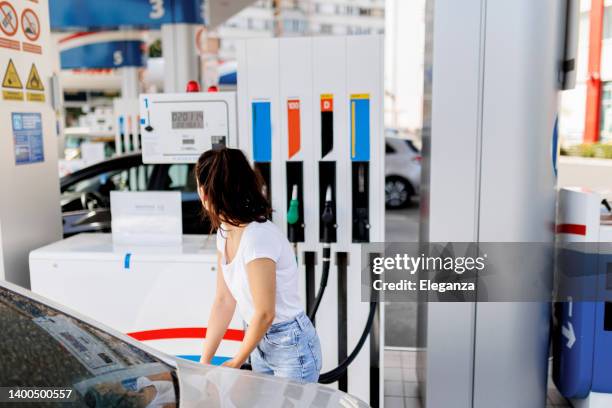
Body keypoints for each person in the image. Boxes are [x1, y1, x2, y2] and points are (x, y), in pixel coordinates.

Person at [195, 147, 322, 383]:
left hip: (289, 345)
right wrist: (204, 362)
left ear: (205, 192)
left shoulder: (257, 238)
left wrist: (237, 360)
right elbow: (223, 301)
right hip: (258, 339)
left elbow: (265, 312)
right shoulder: (224, 232)